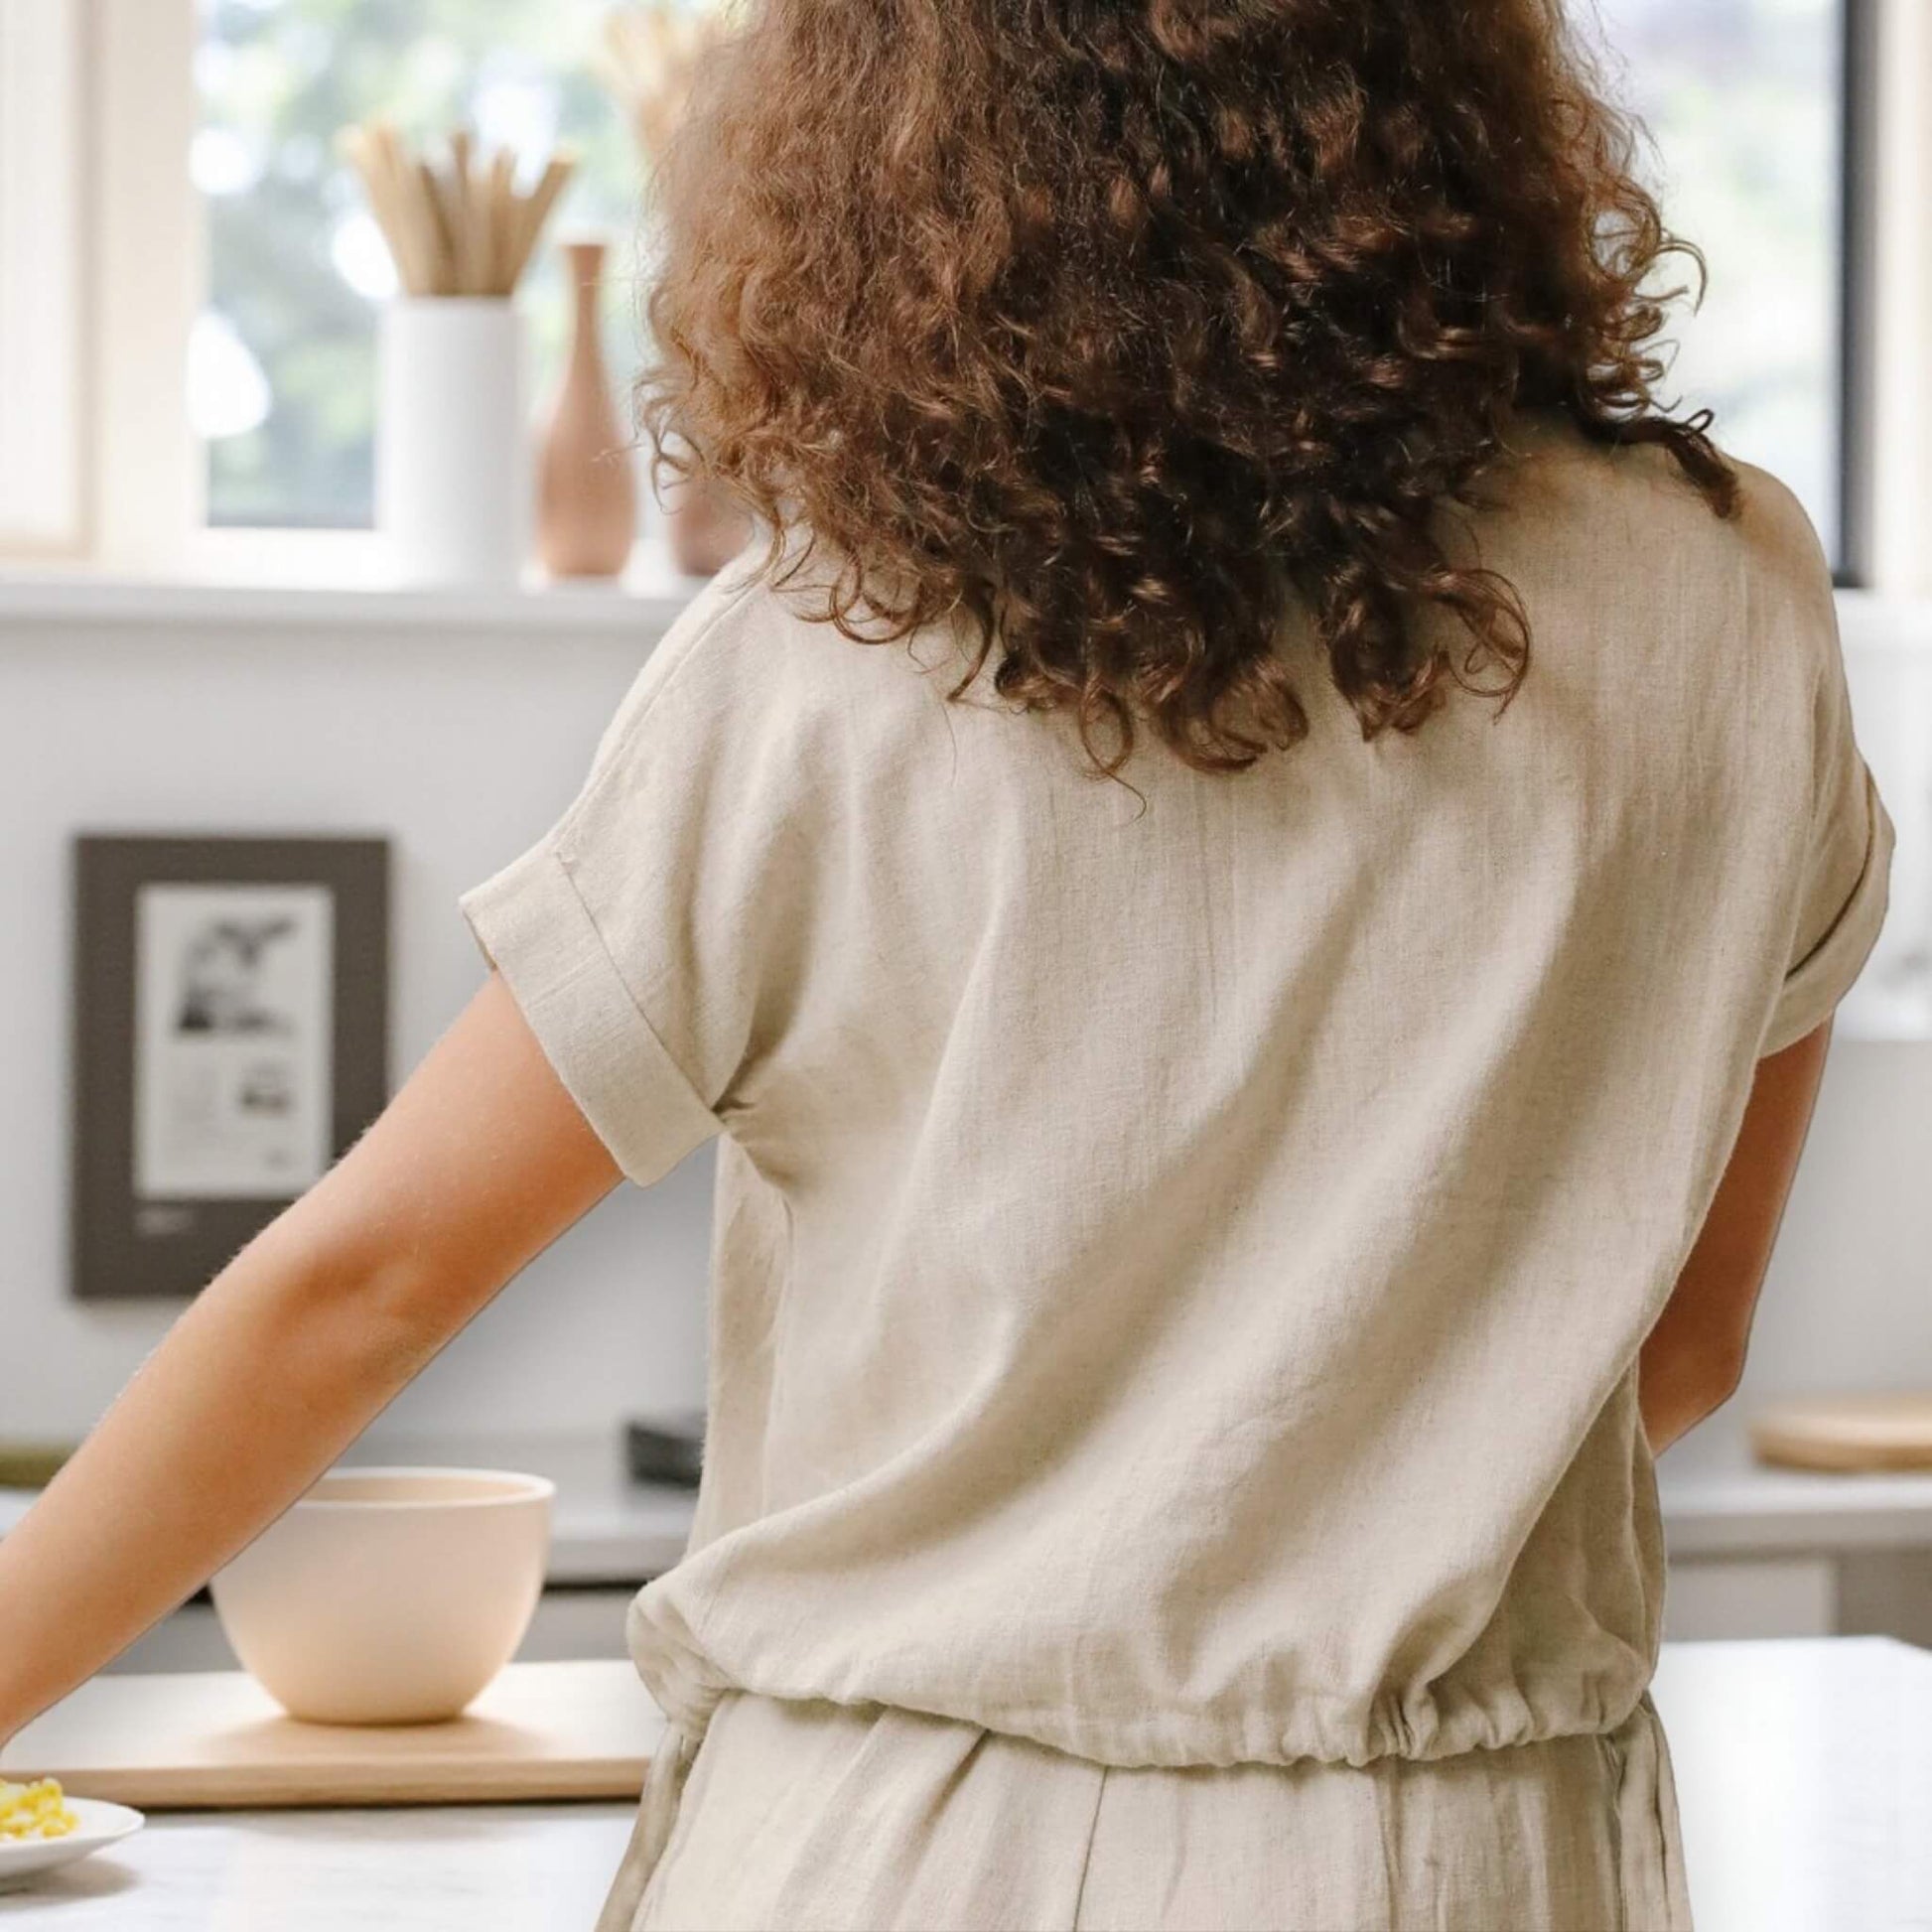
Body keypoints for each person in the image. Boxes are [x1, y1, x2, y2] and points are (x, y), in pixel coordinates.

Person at [0, 2, 1895, 1926]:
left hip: (891, 1840)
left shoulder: (830, 652)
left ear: (903, 132)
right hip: (1475, 1863)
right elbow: (1680, 1342)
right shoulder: (1731, 595)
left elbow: (365, 1283)